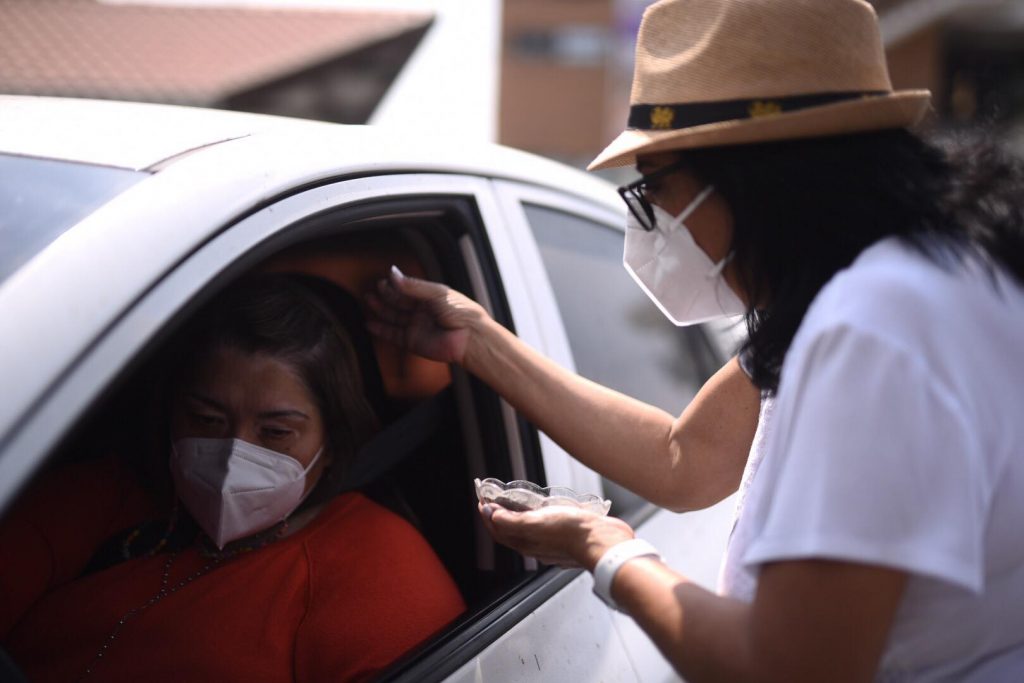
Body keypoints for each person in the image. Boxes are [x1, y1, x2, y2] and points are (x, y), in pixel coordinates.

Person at [366, 0, 1024, 680]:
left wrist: (608, 550)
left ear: (748, 178)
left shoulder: (873, 329)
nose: (657, 222)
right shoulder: (937, 275)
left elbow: (789, 669)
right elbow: (685, 457)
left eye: (655, 185)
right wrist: (479, 340)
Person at [0, 274, 465, 682]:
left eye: (276, 432)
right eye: (207, 420)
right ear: (172, 414)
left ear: (332, 443)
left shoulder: (379, 574)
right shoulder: (98, 497)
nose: (231, 457)